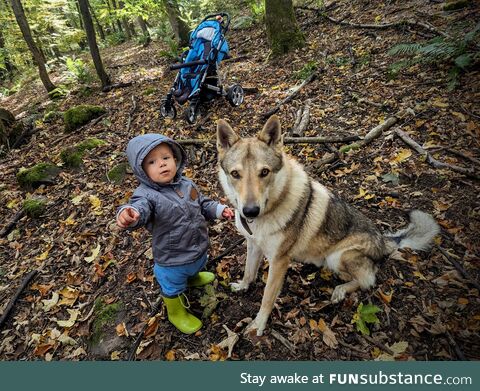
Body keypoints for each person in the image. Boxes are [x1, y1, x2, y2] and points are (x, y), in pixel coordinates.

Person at [116, 134, 234, 334]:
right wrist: (130, 215)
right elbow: (140, 208)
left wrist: (219, 210)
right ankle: (176, 312)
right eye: (152, 162)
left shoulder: (186, 184)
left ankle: (193, 276)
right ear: (142, 171)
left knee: (196, 264)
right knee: (172, 286)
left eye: (165, 158)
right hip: (172, 259)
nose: (161, 164)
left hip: (197, 247)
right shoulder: (146, 195)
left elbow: (203, 203)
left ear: (175, 159)